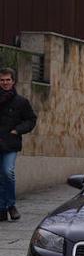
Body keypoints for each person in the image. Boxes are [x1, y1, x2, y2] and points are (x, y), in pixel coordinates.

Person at [0, 68, 37, 221]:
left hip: (10, 143)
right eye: (2, 80)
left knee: (8, 172)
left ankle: (10, 204)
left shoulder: (21, 102)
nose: (5, 82)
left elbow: (31, 120)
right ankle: (3, 208)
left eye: (8, 79)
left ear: (13, 81)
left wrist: (18, 130)